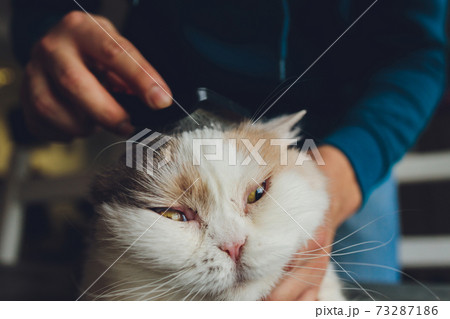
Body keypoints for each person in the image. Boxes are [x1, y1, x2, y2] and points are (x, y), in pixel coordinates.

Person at [11, 0, 447, 300]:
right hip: (163, 129)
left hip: (339, 134)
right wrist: (48, 26)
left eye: (255, 196)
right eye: (179, 216)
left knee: (363, 285)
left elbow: (418, 48)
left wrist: (354, 160)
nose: (232, 245)